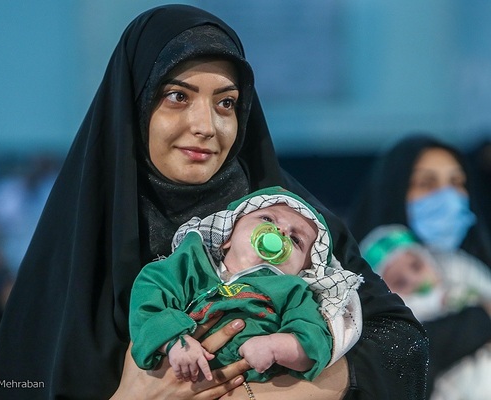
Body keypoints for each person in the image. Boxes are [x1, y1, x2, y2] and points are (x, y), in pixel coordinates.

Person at [0, 5, 428, 399]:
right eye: (177, 97)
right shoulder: (78, 243)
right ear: (136, 104)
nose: (206, 125)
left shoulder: (288, 215)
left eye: (226, 103)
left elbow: (404, 344)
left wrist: (283, 390)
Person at [130, 187, 362, 384]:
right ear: (228, 236)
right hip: (181, 375)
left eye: (295, 240)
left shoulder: (292, 291)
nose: (280, 232)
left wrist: (278, 347)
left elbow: (314, 341)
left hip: (250, 384)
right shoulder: (190, 266)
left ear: (302, 271)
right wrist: (172, 342)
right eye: (267, 219)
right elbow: (148, 301)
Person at [348, 133, 491, 398]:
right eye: (426, 183)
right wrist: (479, 318)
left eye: (457, 182)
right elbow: (395, 358)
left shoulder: (472, 264)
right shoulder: (359, 276)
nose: (447, 195)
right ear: (394, 189)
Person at [360, 224, 491, 399]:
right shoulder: (401, 345)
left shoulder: (463, 281)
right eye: (400, 282)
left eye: (416, 266)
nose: (415, 280)